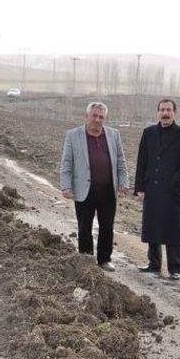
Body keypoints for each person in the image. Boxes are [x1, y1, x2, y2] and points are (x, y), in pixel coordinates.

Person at [60, 102, 129, 271]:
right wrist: (66, 186)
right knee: (84, 227)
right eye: (94, 116)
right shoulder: (73, 135)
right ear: (86, 117)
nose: (97, 120)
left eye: (101, 117)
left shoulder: (113, 134)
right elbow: (67, 163)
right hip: (84, 190)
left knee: (107, 226)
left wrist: (123, 182)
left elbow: (121, 161)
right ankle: (86, 259)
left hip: (107, 191)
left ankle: (104, 259)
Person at [134, 98, 180, 280]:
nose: (165, 113)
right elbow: (142, 161)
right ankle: (154, 264)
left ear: (174, 112)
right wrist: (139, 187)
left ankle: (175, 268)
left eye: (168, 109)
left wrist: (175, 181)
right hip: (151, 188)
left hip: (171, 190)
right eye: (162, 110)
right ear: (158, 112)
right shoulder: (149, 133)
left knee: (172, 228)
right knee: (152, 226)